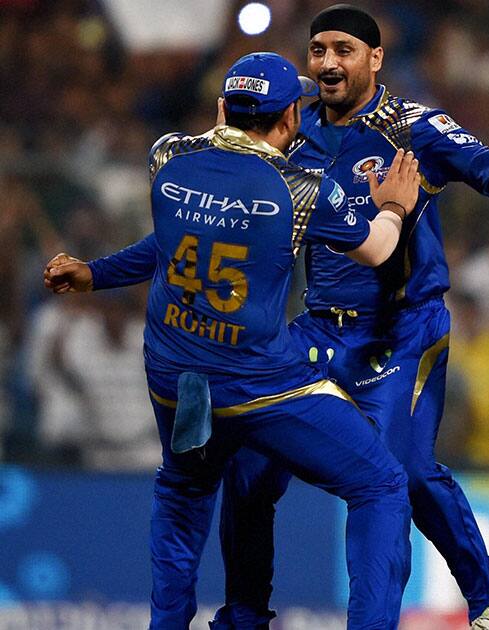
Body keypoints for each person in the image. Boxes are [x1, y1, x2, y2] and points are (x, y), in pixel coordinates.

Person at [53, 5, 489, 628]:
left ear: (375, 59)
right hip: (319, 326)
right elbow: (206, 231)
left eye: (343, 49)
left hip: (399, 330)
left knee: (402, 471)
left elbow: (485, 164)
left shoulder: (413, 126)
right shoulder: (294, 131)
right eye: (317, 49)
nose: (326, 62)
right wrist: (100, 272)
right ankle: (244, 615)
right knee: (248, 466)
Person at [44, 51, 422, 629]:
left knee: (183, 494)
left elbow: (175, 244)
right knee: (382, 483)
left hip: (177, 379)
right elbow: (376, 248)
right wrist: (394, 206)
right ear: (291, 118)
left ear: (222, 108)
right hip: (261, 386)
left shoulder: (168, 156)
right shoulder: (299, 190)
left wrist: (94, 273)